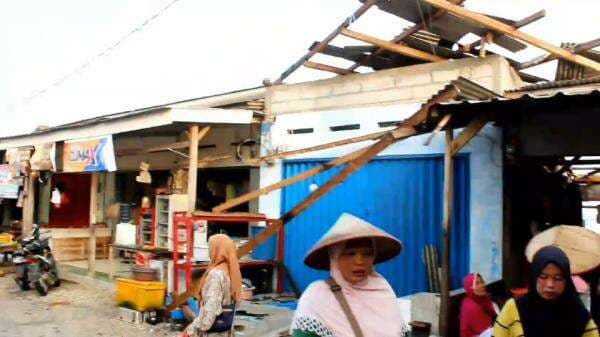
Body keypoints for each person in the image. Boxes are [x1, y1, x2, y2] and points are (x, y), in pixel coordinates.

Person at [290, 213, 409, 337]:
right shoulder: (317, 296)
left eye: (367, 254)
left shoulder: (382, 289)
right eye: (350, 253)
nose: (360, 261)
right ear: (334, 257)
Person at [492, 245, 599, 337]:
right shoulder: (513, 309)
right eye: (543, 277)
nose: (550, 285)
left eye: (558, 278)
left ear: (566, 280)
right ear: (534, 276)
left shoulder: (579, 315)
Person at [184, 234, 242, 337]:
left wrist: (191, 331)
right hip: (226, 331)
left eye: (211, 248)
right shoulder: (231, 272)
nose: (210, 252)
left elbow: (210, 312)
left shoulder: (216, 274)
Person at [460, 273, 497, 337]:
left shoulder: (482, 298)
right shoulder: (471, 307)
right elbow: (485, 330)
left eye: (482, 282)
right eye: (477, 284)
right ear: (470, 288)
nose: (482, 285)